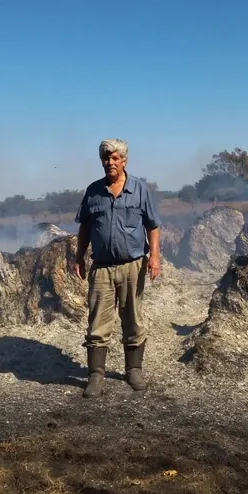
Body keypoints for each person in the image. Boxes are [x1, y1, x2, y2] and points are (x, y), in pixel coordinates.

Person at [73, 139, 161, 398]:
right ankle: (95, 376)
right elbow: (85, 228)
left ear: (124, 161)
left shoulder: (140, 190)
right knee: (97, 322)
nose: (109, 162)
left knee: (133, 318)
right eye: (105, 158)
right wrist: (79, 257)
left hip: (133, 265)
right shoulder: (93, 192)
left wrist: (154, 257)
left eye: (114, 158)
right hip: (101, 268)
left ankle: (133, 370)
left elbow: (152, 226)